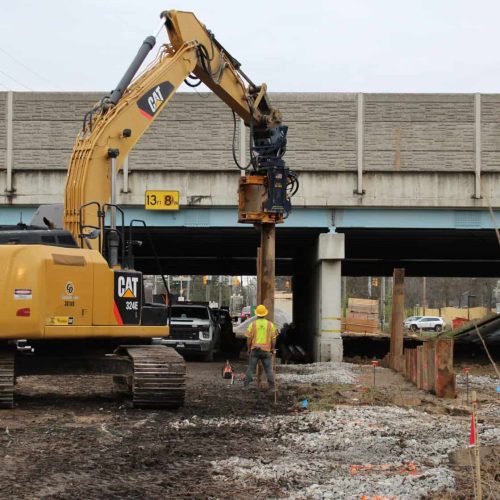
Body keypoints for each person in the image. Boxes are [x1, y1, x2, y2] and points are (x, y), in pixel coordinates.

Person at [244, 304, 278, 389]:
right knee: (269, 370)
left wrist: (248, 349)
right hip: (266, 351)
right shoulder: (270, 325)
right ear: (265, 314)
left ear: (257, 314)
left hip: (255, 350)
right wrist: (272, 349)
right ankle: (272, 387)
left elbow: (248, 339)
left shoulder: (253, 324)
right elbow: (274, 339)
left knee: (251, 368)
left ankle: (246, 386)